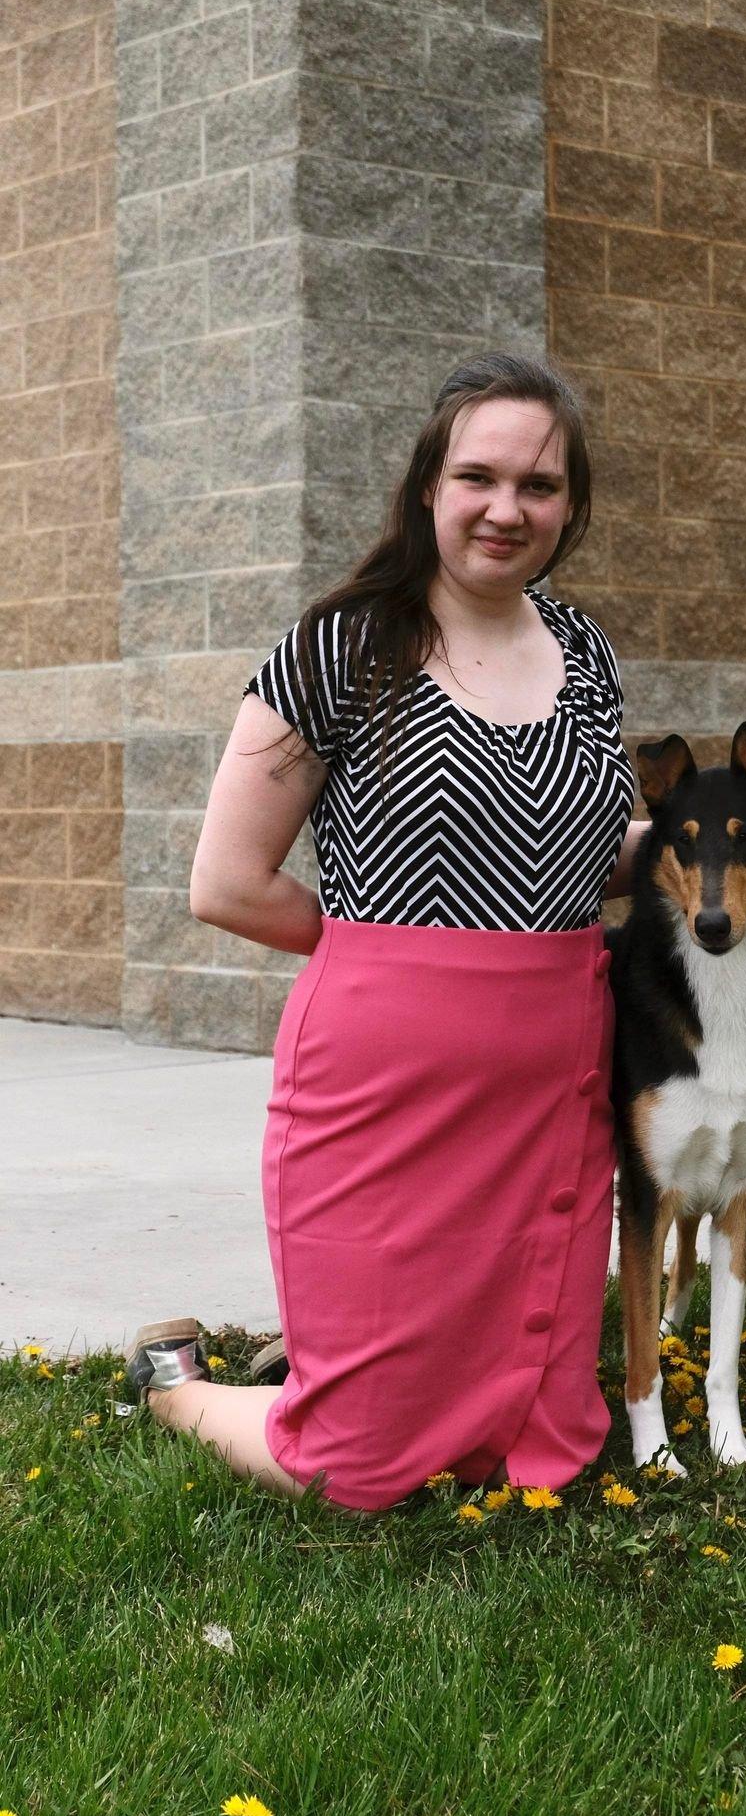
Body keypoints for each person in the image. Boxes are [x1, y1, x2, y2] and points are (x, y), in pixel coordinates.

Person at [125, 354, 648, 1509]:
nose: (506, 508)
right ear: (427, 487)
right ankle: (176, 1385)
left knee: (538, 1445)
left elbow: (581, 849)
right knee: (356, 1464)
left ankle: (332, 1364)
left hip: (554, 1081)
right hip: (382, 1080)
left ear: (571, 506)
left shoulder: (586, 653)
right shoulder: (342, 646)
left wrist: (724, 837)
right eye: (478, 477)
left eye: (539, 485)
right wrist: (395, 955)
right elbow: (227, 882)